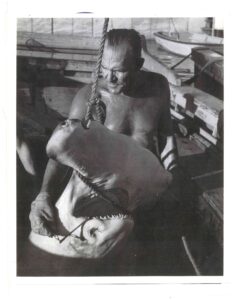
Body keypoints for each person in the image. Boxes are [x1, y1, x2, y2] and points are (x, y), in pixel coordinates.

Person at [29, 28, 179, 239]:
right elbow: (62, 153)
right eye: (105, 69)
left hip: (143, 189)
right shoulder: (89, 98)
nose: (110, 78)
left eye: (118, 71)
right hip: (105, 195)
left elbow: (166, 136)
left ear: (138, 65)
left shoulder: (158, 87)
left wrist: (176, 177)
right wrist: (44, 195)